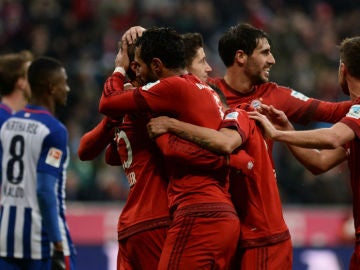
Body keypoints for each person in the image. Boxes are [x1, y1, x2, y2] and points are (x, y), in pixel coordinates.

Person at [99, 27, 240, 270]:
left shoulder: (173, 88)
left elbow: (108, 102)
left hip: (197, 211)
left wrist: (120, 67)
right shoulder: (209, 94)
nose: (136, 70)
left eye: (139, 64)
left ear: (155, 65)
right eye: (203, 61)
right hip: (221, 212)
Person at [247, 36, 360, 270]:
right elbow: (320, 162)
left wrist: (277, 135)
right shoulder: (354, 123)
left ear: (343, 69)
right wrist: (287, 128)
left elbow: (332, 137)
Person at [147, 100, 292, 270]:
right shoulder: (252, 120)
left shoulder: (239, 114)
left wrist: (171, 125)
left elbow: (225, 143)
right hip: (249, 235)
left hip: (261, 238)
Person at [79, 39, 170, 270]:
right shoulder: (149, 102)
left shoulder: (122, 111)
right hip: (156, 218)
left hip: (130, 222)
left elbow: (96, 152)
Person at [0, 57, 76, 270]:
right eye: (64, 82)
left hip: (6, 238)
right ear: (51, 87)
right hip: (40, 240)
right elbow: (44, 189)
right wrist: (58, 244)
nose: (68, 89)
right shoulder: (54, 130)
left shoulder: (8, 124)